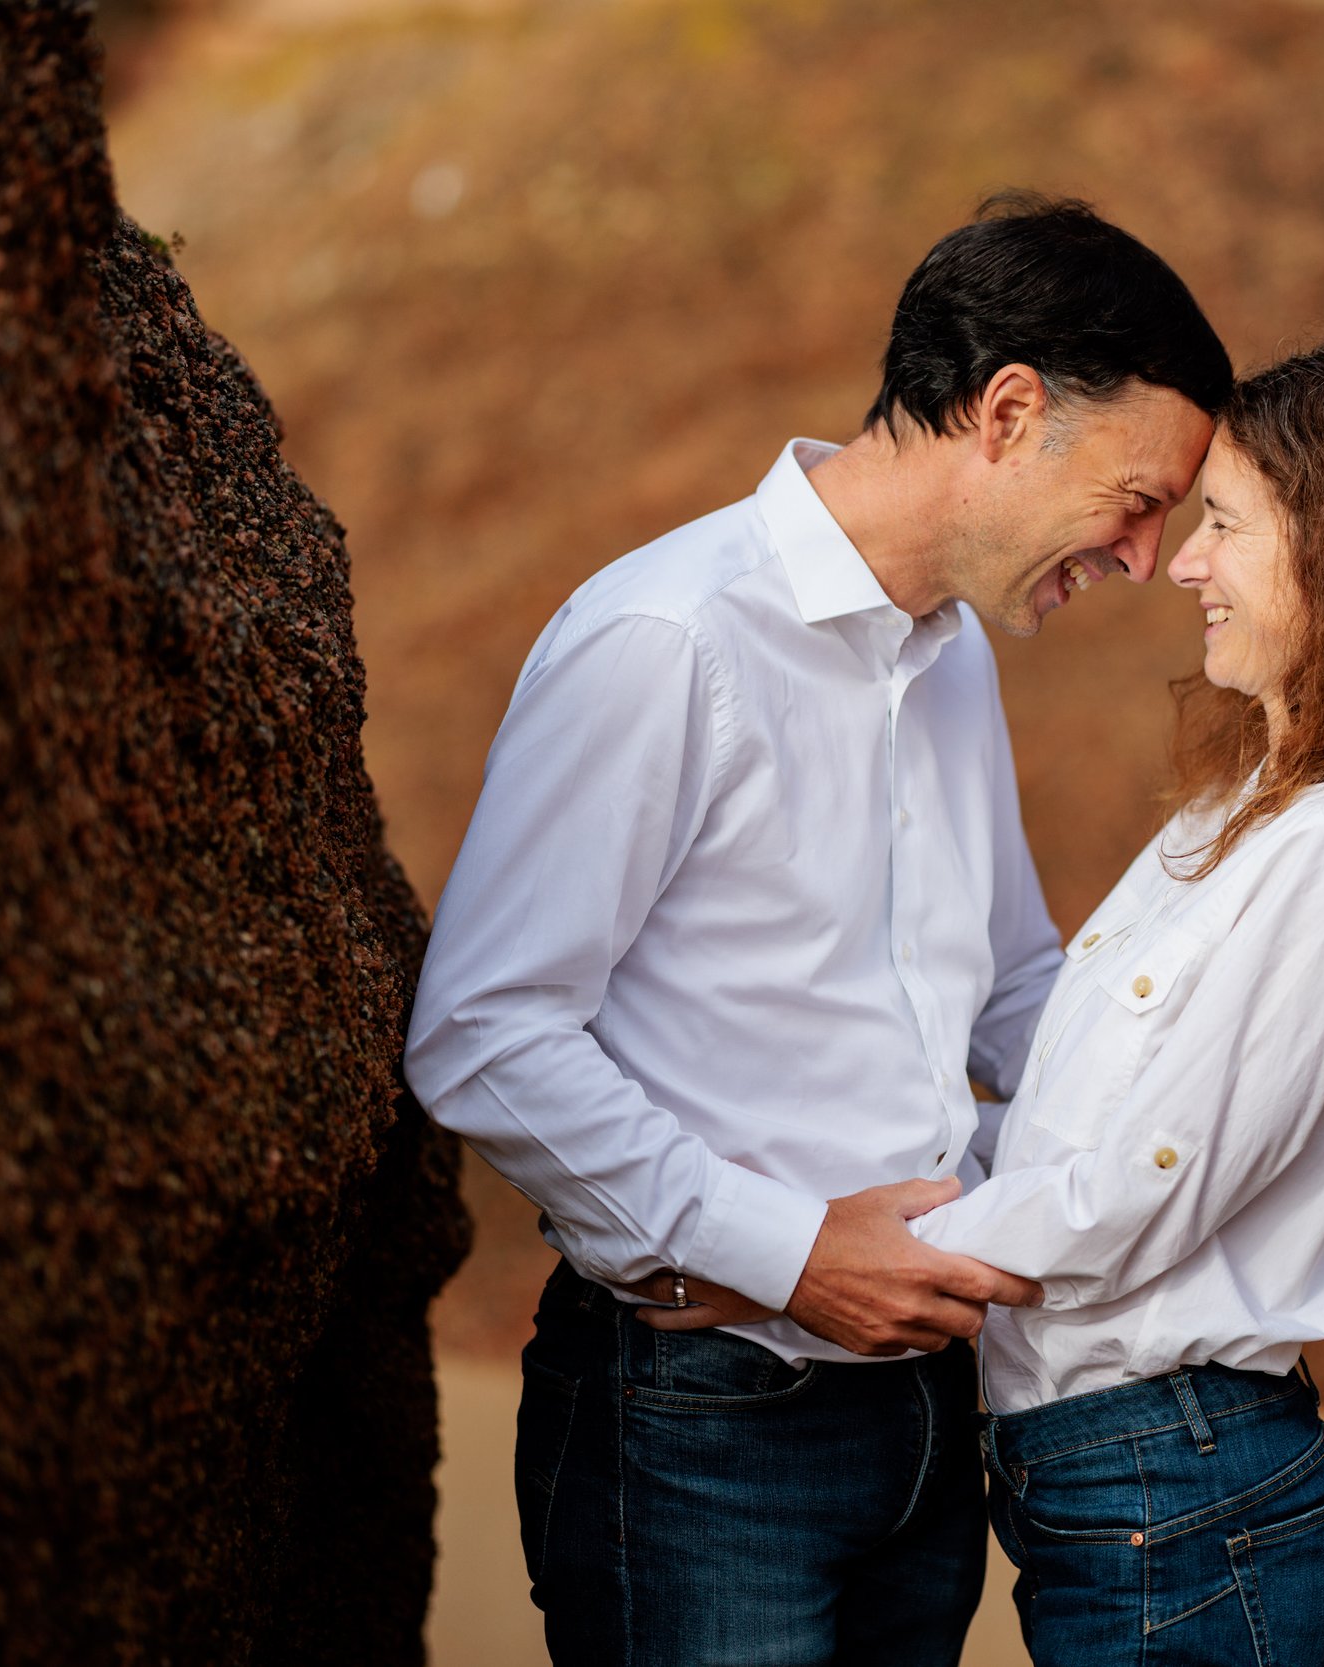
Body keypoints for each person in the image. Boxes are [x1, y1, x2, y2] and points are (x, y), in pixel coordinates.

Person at [643, 344, 1324, 1665]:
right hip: (1121, 1489)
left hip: (1181, 1500)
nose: (1181, 562)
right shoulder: (1248, 811)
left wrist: (787, 1266)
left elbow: (1131, 1191)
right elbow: (1075, 1119)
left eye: (1226, 525)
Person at [402, 194, 1233, 1666]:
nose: (1146, 557)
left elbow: (1009, 984)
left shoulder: (958, 649)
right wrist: (788, 1254)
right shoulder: (666, 640)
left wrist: (1209, 1094)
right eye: (1137, 496)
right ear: (1008, 410)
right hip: (705, 1427)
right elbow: (483, 1033)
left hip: (929, 1417)